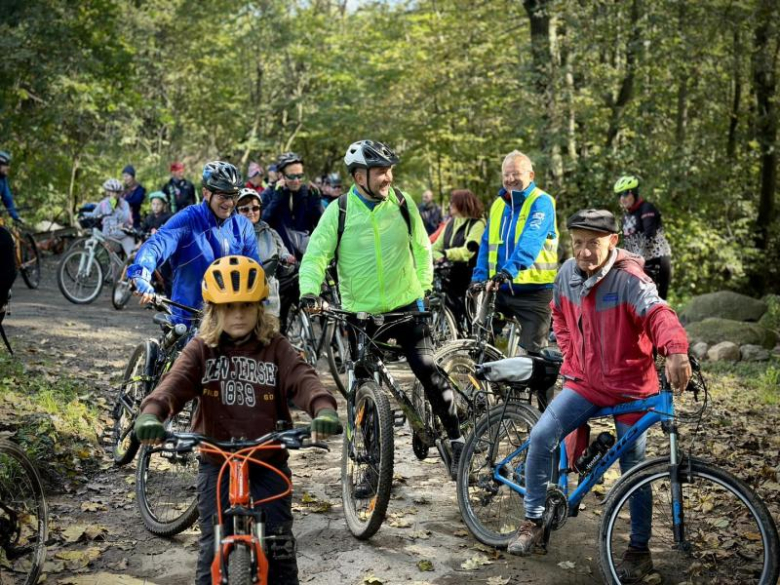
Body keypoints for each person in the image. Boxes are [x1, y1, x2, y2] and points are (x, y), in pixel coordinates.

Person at [507, 209, 691, 580]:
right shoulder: (565, 276)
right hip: (585, 382)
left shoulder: (629, 280)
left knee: (633, 470)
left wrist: (676, 349)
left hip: (630, 387)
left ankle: (639, 550)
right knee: (542, 436)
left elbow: (658, 313)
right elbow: (557, 314)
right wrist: (572, 356)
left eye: (593, 243)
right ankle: (533, 521)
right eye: (578, 243)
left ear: (613, 241)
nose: (585, 252)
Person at [133, 255, 340, 585]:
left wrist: (322, 409)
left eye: (246, 305)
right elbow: (174, 383)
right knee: (210, 550)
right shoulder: (202, 349)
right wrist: (152, 414)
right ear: (214, 310)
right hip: (217, 462)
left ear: (261, 307)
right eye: (229, 307)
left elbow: (303, 378)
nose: (239, 314)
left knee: (280, 547)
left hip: (268, 459)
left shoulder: (276, 347)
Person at [298, 139, 465, 484]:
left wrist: (423, 288)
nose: (388, 177)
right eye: (381, 171)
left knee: (427, 369)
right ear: (359, 176)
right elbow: (315, 256)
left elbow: (421, 248)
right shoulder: (340, 211)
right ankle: (371, 467)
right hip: (361, 315)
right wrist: (309, 290)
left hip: (406, 306)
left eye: (390, 170)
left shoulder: (402, 204)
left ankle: (457, 437)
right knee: (364, 386)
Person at [127, 161, 260, 326]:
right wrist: (142, 273)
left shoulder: (243, 225)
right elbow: (157, 244)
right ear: (205, 193)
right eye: (223, 196)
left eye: (234, 196)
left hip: (229, 317)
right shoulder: (188, 219)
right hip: (188, 315)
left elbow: (254, 268)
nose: (230, 203)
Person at [471, 150, 559, 355]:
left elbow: (531, 240)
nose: (510, 179)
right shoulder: (498, 206)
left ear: (531, 175)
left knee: (532, 358)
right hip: (499, 291)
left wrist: (508, 271)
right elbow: (486, 245)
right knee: (485, 350)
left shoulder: (542, 202)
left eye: (516, 174)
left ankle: (538, 385)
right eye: (506, 175)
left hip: (534, 292)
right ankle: (493, 386)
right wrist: (478, 277)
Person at [236, 187, 294, 317]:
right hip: (241, 294)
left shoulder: (270, 232)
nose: (251, 212)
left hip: (269, 293)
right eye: (245, 209)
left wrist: (287, 257)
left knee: (270, 331)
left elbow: (282, 250)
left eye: (255, 208)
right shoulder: (230, 234)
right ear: (236, 211)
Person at [432, 189, 485, 328]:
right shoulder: (451, 222)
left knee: (470, 315)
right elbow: (435, 248)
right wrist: (441, 256)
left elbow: (468, 252)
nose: (450, 205)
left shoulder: (478, 224)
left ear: (462, 204)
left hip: (469, 277)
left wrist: (446, 255)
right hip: (450, 275)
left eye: (452, 202)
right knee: (451, 312)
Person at [614, 175, 673, 299]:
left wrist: (634, 258)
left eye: (625, 194)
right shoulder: (626, 216)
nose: (622, 198)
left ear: (634, 193)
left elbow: (649, 235)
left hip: (656, 258)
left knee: (655, 299)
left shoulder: (646, 208)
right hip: (637, 260)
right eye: (619, 195)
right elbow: (627, 242)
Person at [261, 152, 322, 258]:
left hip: (306, 257)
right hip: (278, 257)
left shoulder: (307, 192)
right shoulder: (269, 194)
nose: (296, 181)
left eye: (300, 176)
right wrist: (276, 201)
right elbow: (261, 224)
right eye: (292, 176)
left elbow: (321, 226)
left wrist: (316, 204)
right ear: (281, 175)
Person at [86, 178, 135, 256]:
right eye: (112, 192)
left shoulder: (125, 204)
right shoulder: (103, 204)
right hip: (109, 236)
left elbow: (125, 219)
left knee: (132, 256)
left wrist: (116, 208)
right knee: (113, 260)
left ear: (120, 193)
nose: (114, 195)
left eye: (117, 193)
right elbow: (94, 215)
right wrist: (82, 214)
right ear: (108, 192)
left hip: (124, 235)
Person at [0, 151, 22, 224]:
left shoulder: (3, 179)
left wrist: (15, 216)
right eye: (6, 165)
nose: (8, 168)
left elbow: (7, 198)